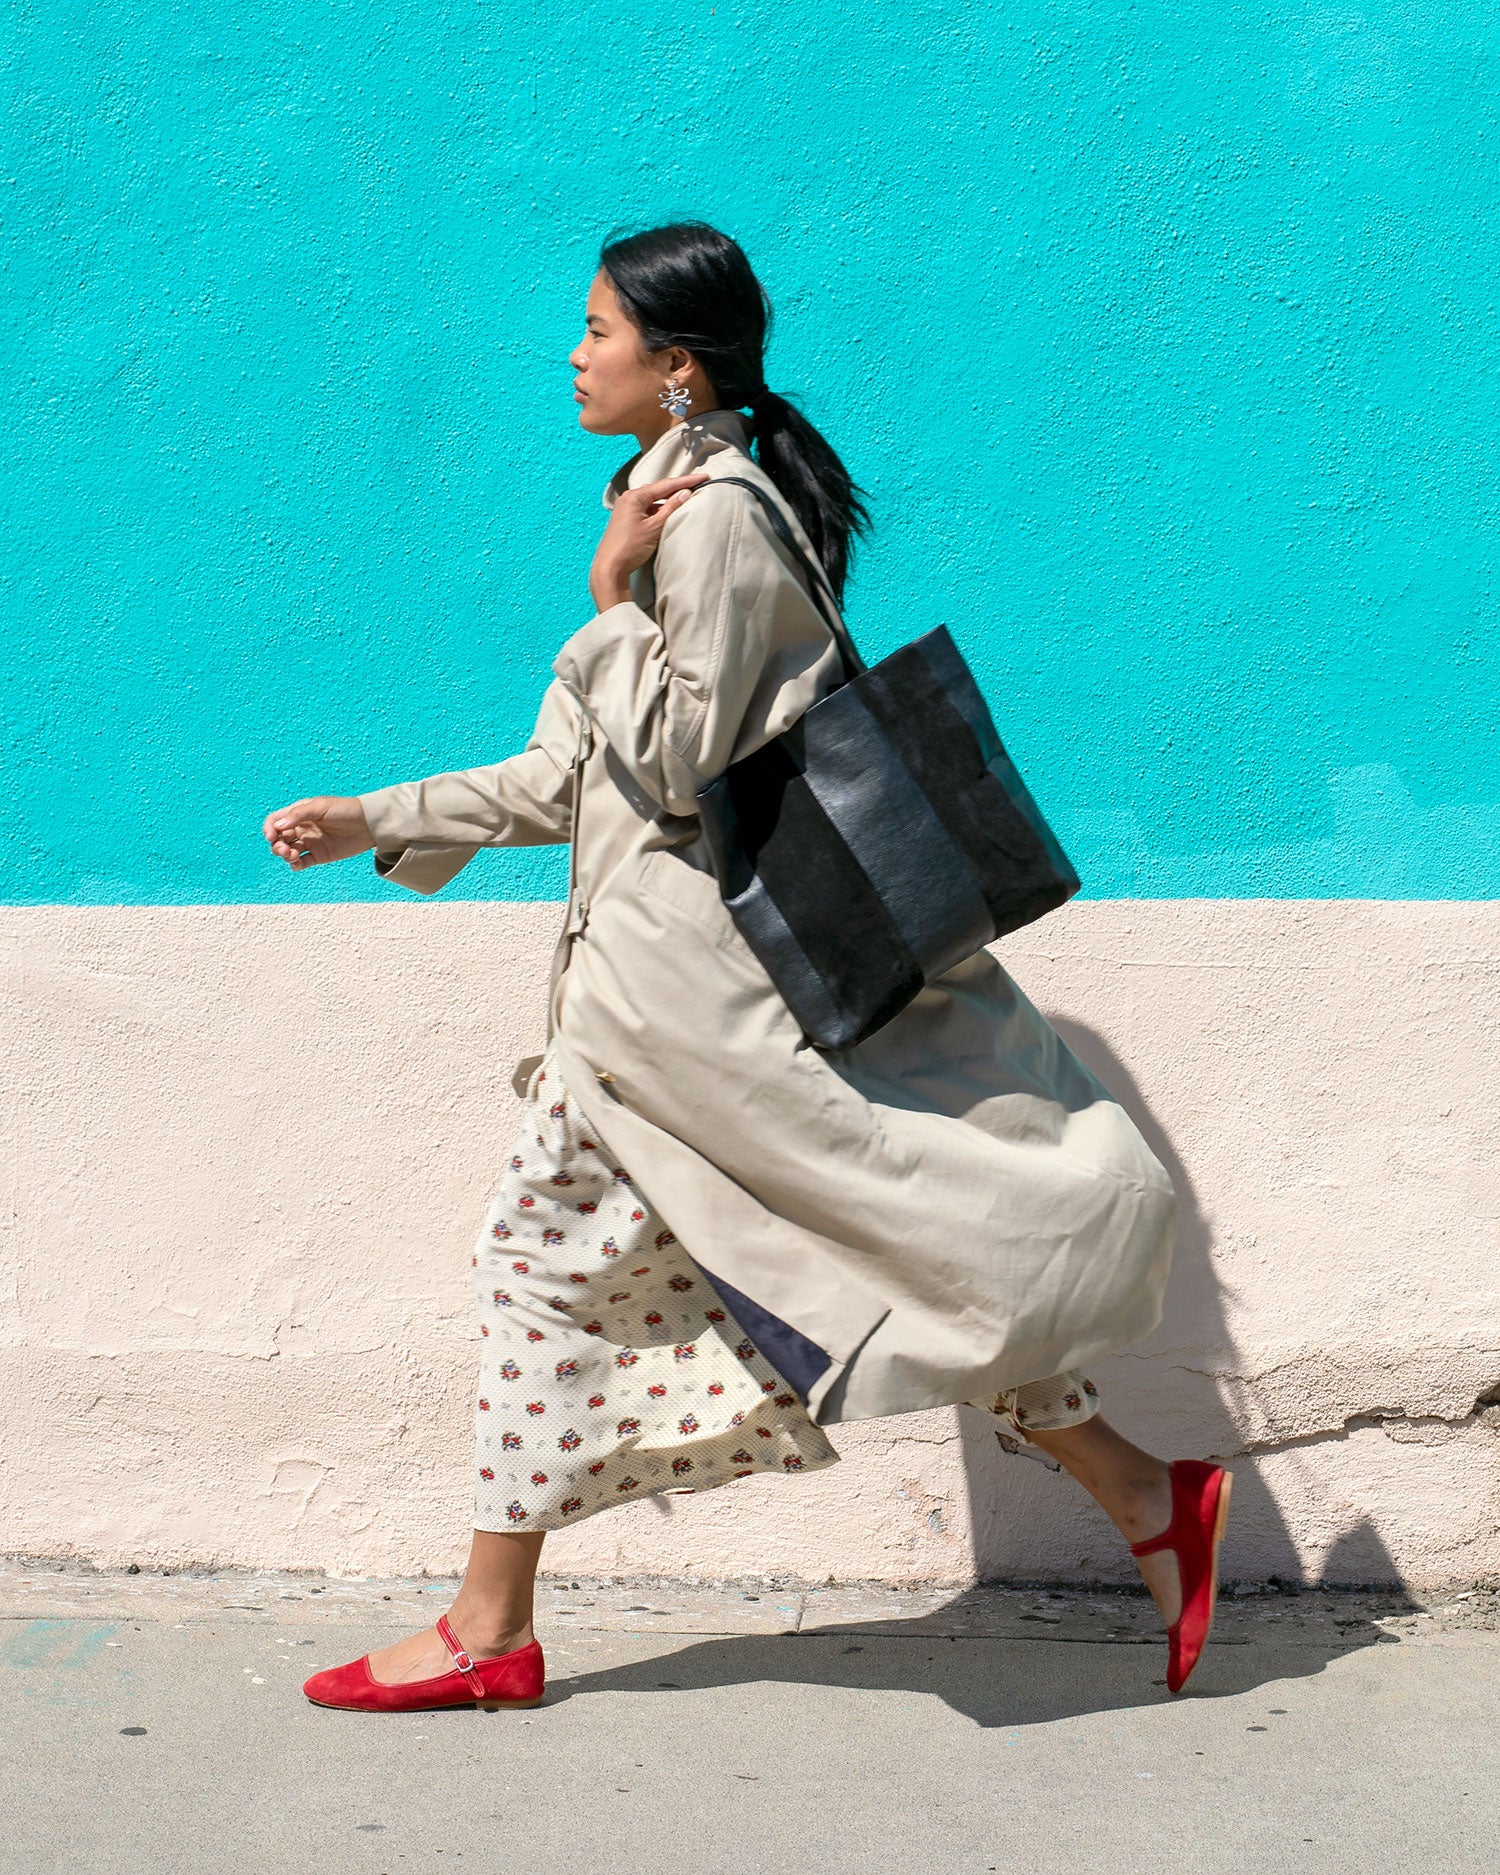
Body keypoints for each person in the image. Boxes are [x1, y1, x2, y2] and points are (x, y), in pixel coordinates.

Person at [263, 221, 1231, 1714]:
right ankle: (1148, 1497)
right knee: (855, 1261)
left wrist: (605, 600)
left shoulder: (710, 519)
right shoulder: (681, 505)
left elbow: (665, 760)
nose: (572, 353)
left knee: (552, 1269)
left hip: (691, 1018)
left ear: (677, 367)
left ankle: (487, 1634)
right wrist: (373, 820)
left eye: (596, 330)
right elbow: (567, 777)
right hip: (655, 1016)